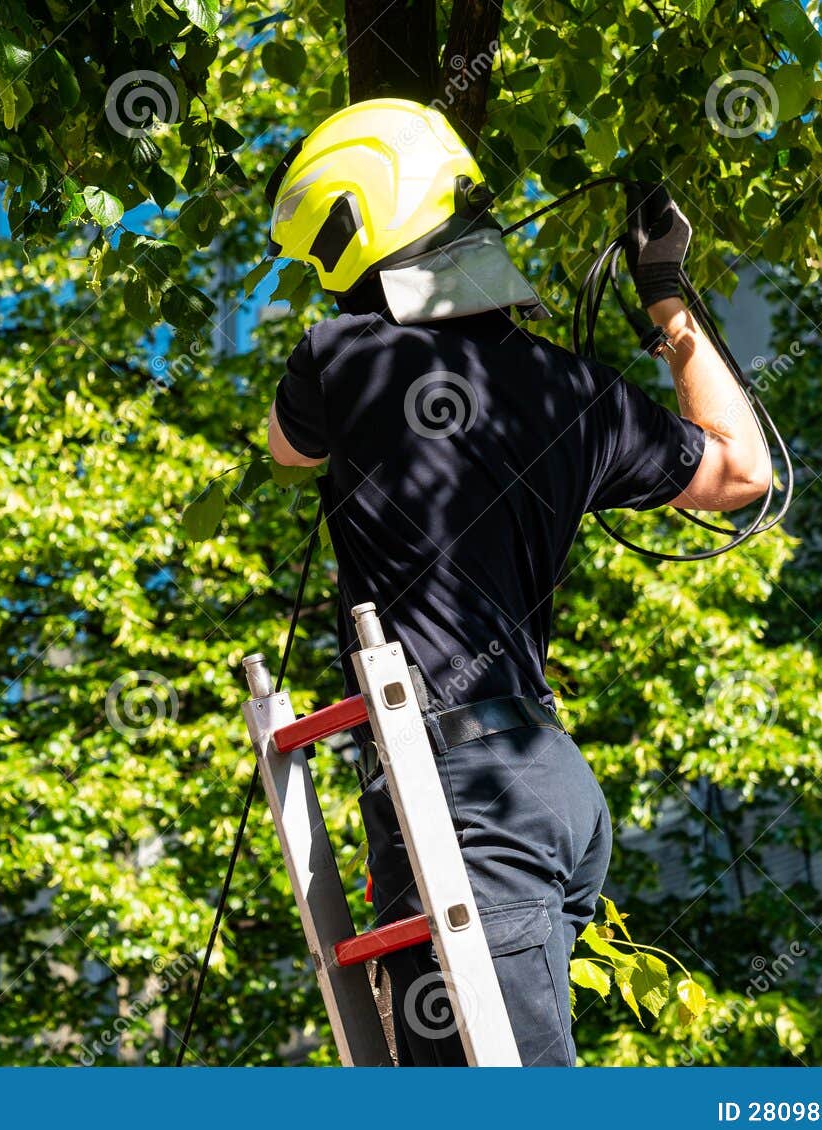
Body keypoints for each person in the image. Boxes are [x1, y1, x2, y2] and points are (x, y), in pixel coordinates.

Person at [262, 99, 771, 1066]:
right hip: (537, 784)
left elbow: (289, 450)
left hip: (458, 801)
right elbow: (742, 472)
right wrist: (666, 294)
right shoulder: (574, 390)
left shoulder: (340, 358)